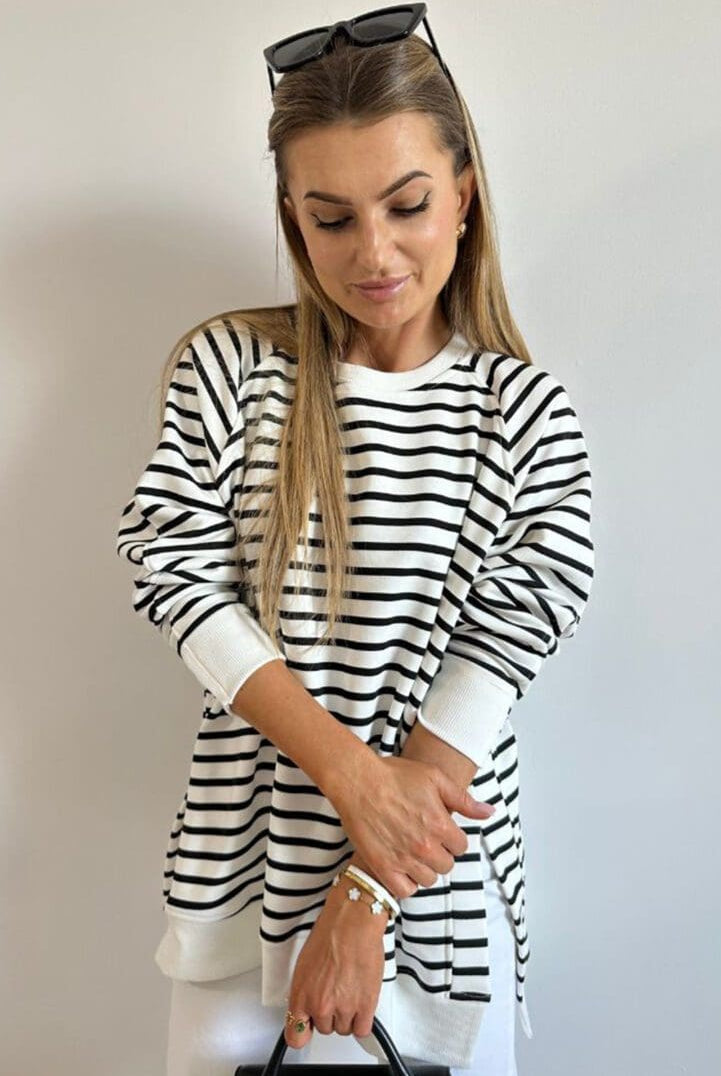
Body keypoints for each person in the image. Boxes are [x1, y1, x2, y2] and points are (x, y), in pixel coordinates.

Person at [115, 7, 595, 1075]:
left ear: (463, 194)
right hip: (240, 885)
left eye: (407, 204)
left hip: (438, 904)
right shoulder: (231, 370)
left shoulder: (527, 415)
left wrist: (364, 893)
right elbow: (171, 569)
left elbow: (492, 664)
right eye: (330, 218)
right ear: (292, 218)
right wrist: (353, 779)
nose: (373, 253)